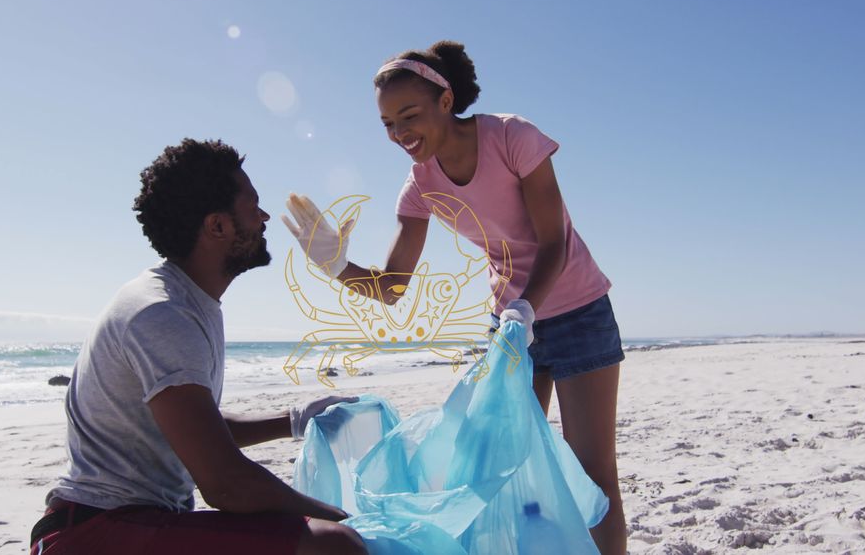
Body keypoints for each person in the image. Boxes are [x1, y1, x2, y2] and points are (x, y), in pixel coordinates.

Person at [283, 41, 626, 554]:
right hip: (511, 329)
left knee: (590, 469)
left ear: (445, 101)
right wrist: (336, 266)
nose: (399, 133)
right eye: (387, 124)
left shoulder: (513, 137)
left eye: (409, 115)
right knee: (504, 470)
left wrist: (526, 306)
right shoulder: (419, 185)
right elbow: (393, 287)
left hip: (576, 310)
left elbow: (553, 241)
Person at [32, 139, 367, 555]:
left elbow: (197, 430)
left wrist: (295, 420)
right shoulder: (163, 314)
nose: (264, 218)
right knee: (334, 545)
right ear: (217, 226)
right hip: (93, 532)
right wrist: (345, 519)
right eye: (253, 206)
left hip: (140, 521)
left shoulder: (186, 301)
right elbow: (224, 484)